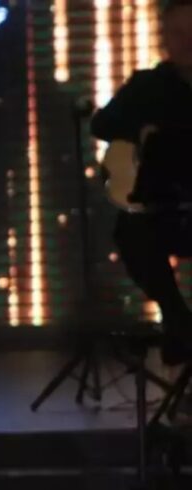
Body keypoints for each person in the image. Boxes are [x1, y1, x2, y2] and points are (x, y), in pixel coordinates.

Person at [92, 0, 192, 363]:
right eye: (178, 33)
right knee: (131, 233)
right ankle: (179, 322)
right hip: (164, 208)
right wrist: (142, 130)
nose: (187, 42)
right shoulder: (148, 85)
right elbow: (101, 124)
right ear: (165, 38)